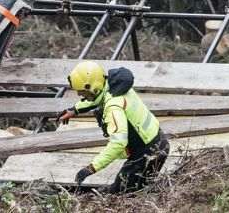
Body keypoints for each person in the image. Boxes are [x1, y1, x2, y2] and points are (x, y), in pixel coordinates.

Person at [57, 60, 169, 194]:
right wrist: (74, 109)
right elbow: (100, 98)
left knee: (120, 194)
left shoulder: (113, 107)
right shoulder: (115, 85)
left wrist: (92, 168)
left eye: (83, 93)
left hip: (149, 153)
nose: (80, 96)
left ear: (94, 87)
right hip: (158, 140)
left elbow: (118, 143)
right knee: (130, 188)